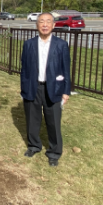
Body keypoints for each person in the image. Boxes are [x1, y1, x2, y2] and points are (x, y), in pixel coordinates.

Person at [20, 13, 70, 167]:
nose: (45, 24)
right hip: (33, 87)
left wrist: (66, 91)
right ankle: (34, 145)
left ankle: (54, 152)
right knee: (32, 119)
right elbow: (25, 68)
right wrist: (24, 88)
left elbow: (66, 70)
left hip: (53, 88)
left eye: (48, 21)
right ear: (37, 25)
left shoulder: (61, 45)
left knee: (53, 122)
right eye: (41, 21)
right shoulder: (29, 44)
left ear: (53, 25)